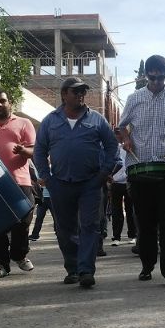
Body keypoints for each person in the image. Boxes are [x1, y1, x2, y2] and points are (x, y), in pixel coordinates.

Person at [33, 76, 118, 288]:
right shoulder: (50, 121)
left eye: (83, 91)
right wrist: (46, 177)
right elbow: (39, 150)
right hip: (60, 183)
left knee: (90, 226)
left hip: (90, 183)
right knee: (65, 229)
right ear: (64, 95)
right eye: (76, 91)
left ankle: (86, 270)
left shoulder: (97, 119)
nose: (81, 95)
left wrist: (104, 172)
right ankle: (72, 268)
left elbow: (112, 147)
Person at [118, 55, 165, 288]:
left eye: (161, 77)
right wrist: (127, 139)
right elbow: (121, 125)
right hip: (139, 168)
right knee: (145, 221)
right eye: (152, 77)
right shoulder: (134, 99)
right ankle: (147, 265)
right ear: (146, 76)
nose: (157, 81)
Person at [0, 88, 36, 279]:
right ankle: (1, 264)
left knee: (23, 220)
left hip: (20, 181)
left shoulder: (24, 123)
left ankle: (19, 254)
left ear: (9, 103)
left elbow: (34, 151)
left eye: (2, 101)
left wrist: (23, 150)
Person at [109, 130, 137, 246]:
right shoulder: (113, 149)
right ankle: (116, 236)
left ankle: (133, 235)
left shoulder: (131, 147)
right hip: (115, 183)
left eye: (118, 135)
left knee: (130, 210)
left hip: (128, 181)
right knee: (116, 210)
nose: (117, 138)